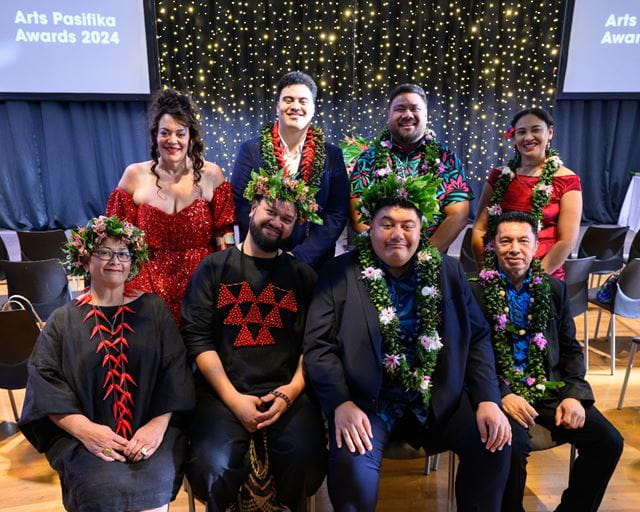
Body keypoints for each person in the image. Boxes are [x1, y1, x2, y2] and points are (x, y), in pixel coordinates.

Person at [303, 173, 512, 512]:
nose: (397, 234)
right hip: (368, 402)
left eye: (407, 225)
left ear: (422, 230)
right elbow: (319, 346)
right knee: (352, 469)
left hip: (441, 398)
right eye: (386, 224)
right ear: (369, 227)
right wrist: (340, 403)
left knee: (494, 443)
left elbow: (477, 338)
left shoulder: (449, 271)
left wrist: (488, 399)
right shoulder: (338, 273)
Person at [19, 215, 195, 512]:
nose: (115, 260)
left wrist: (156, 426)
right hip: (84, 438)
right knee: (98, 492)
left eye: (123, 253)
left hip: (152, 434)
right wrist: (86, 430)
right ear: (85, 260)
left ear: (132, 262)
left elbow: (175, 370)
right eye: (104, 252)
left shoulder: (154, 309)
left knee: (152, 492)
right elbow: (44, 381)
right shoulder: (63, 320)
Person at [181, 170, 327, 511]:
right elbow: (197, 338)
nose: (277, 222)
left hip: (286, 393)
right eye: (271, 211)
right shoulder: (213, 268)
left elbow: (314, 344)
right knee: (213, 466)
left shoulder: (303, 276)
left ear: (295, 227)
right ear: (252, 208)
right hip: (222, 393)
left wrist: (289, 393)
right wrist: (233, 400)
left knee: (303, 460)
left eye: (287, 218)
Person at [470, 211, 623, 512]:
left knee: (608, 442)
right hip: (500, 392)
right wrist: (501, 394)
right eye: (505, 241)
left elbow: (570, 349)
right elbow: (469, 358)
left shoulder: (553, 289)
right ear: (493, 246)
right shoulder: (474, 291)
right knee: (509, 447)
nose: (514, 248)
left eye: (523, 240)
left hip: (549, 389)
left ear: (536, 245)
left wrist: (574, 395)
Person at [106, 88, 235, 323]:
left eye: (180, 133)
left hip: (201, 283)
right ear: (155, 136)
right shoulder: (134, 175)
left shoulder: (212, 174)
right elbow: (116, 238)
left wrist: (224, 282)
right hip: (147, 286)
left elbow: (224, 238)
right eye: (165, 133)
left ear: (191, 137)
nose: (172, 141)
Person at [230, 71, 348, 269]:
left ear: (313, 108)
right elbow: (241, 204)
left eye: (303, 101)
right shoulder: (251, 150)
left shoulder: (332, 155)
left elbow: (336, 214)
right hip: (260, 258)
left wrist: (301, 256)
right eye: (288, 100)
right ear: (278, 106)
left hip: (312, 265)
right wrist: (265, 248)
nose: (295, 107)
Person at [348, 83, 472, 252]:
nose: (407, 115)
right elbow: (357, 214)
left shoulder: (446, 158)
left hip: (430, 263)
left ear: (426, 114)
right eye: (400, 109)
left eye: (415, 108)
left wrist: (424, 257)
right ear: (389, 115)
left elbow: (458, 215)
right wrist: (387, 252)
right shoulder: (368, 158)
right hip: (377, 261)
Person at [471, 107, 582, 279]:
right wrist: (487, 271)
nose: (528, 137)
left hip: (544, 276)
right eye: (521, 132)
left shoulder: (567, 179)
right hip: (498, 274)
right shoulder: (499, 176)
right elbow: (479, 229)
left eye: (536, 130)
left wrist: (534, 279)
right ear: (514, 138)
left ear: (550, 133)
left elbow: (566, 241)